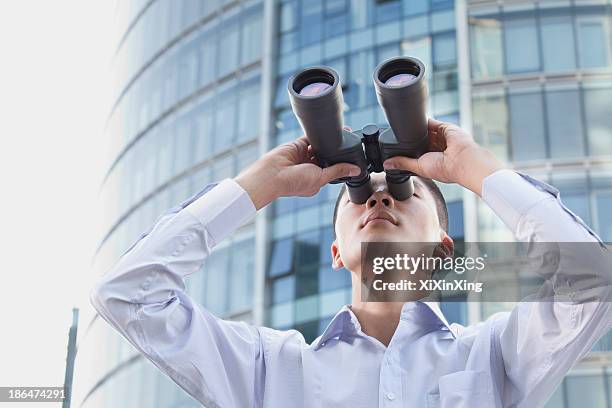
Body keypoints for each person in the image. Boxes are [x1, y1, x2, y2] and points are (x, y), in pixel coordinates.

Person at [90, 118, 610, 407]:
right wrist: (256, 187)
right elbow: (128, 294)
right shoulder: (270, 370)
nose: (378, 200)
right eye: (360, 197)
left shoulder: (493, 355)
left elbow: (594, 281)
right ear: (336, 254)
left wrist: (474, 170)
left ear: (442, 251)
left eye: (403, 194)